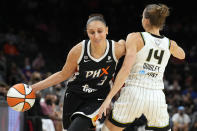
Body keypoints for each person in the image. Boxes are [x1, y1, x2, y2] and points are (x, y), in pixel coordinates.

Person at [99, 3, 185, 131]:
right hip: (156, 95)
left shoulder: (135, 37)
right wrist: (170, 46)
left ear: (146, 20)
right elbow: (182, 55)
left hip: (134, 91)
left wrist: (109, 98)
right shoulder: (169, 43)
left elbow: (125, 70)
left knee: (107, 129)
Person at [31, 14, 125, 131]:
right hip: (74, 94)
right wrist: (33, 88)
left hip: (98, 97)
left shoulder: (117, 49)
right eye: (92, 32)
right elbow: (63, 74)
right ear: (87, 32)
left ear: (107, 30)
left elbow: (131, 50)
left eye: (100, 31)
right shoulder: (78, 50)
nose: (96, 36)